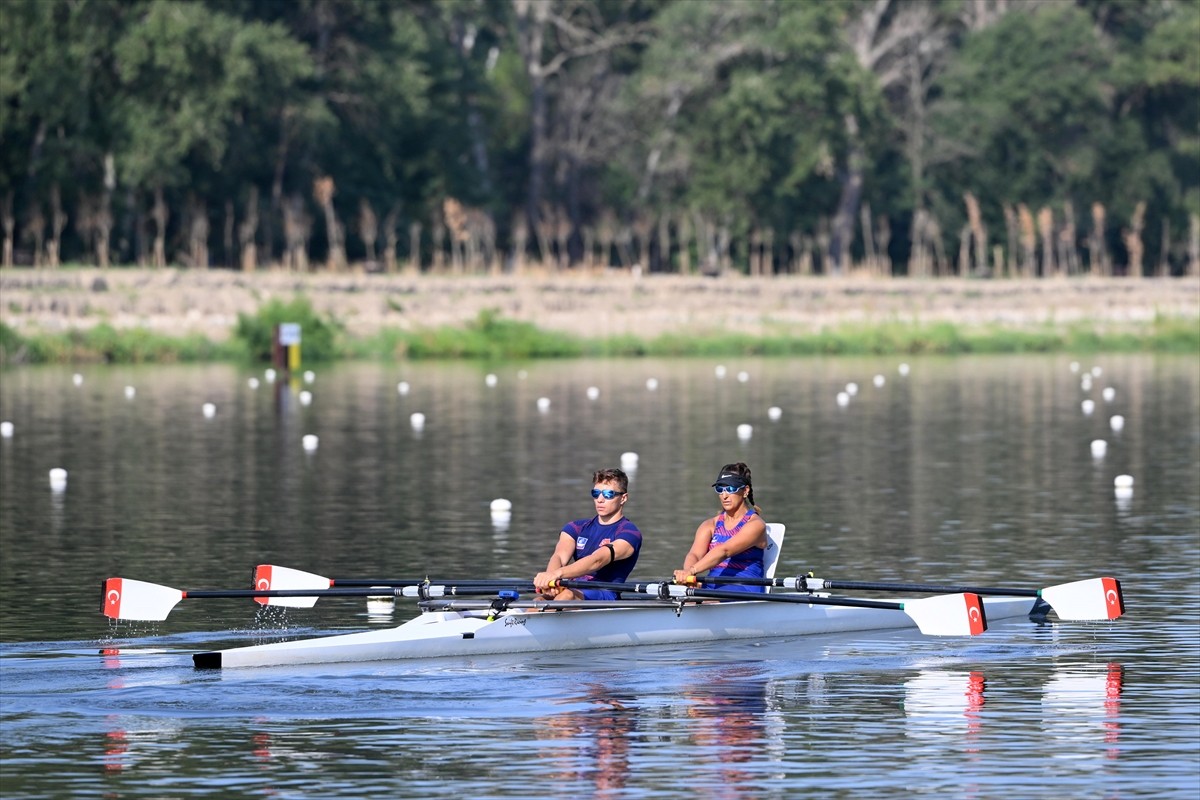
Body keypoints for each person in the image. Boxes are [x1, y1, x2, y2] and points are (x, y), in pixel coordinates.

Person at [534, 468, 642, 601]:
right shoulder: (575, 528)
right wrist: (550, 581)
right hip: (573, 588)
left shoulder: (629, 533)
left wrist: (557, 575)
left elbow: (597, 560)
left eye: (608, 494)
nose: (600, 500)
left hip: (604, 593)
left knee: (567, 595)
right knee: (540, 600)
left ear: (623, 498)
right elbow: (559, 557)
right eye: (596, 493)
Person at [673, 462, 767, 594]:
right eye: (720, 489)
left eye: (730, 489)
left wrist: (692, 571)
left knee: (691, 602)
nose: (724, 495)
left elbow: (725, 550)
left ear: (745, 491)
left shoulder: (756, 525)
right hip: (713, 587)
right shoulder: (709, 525)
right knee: (674, 596)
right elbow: (694, 554)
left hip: (744, 587)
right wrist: (689, 578)